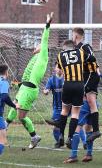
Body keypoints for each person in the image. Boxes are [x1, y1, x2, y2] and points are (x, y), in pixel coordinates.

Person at [6, 12, 53, 149]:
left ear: (43, 49)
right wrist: (18, 84)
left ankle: (34, 136)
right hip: (25, 88)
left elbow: (44, 40)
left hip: (30, 90)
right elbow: (27, 76)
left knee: (21, 116)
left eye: (37, 46)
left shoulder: (43, 55)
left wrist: (48, 24)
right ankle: (5, 127)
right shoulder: (33, 59)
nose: (35, 46)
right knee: (14, 104)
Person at [55, 40, 96, 149]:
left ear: (65, 47)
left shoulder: (60, 55)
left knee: (64, 111)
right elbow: (92, 58)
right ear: (73, 47)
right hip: (79, 85)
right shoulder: (80, 52)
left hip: (67, 85)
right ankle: (70, 137)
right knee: (75, 114)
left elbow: (59, 72)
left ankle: (61, 136)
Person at [72, 28, 101, 142]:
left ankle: (96, 130)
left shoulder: (85, 46)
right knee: (88, 101)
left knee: (91, 101)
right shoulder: (76, 49)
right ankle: (94, 130)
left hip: (91, 76)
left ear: (76, 36)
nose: (72, 37)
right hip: (86, 77)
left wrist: (97, 69)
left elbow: (93, 59)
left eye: (73, 35)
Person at [64, 99, 99, 163]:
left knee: (76, 128)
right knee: (88, 129)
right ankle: (89, 154)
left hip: (84, 103)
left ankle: (73, 156)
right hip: (94, 103)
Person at [43, 63, 64, 148]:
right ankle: (59, 141)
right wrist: (46, 91)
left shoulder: (67, 78)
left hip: (69, 106)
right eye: (58, 67)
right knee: (56, 128)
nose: (59, 69)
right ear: (55, 69)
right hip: (57, 107)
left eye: (61, 67)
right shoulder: (51, 80)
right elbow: (46, 89)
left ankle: (83, 142)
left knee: (76, 124)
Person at [0, 65, 17, 155]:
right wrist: (14, 105)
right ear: (6, 72)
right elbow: (4, 97)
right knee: (2, 138)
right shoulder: (4, 82)